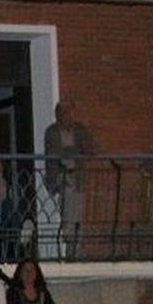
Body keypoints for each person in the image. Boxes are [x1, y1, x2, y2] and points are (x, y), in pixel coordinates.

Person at [42, 100, 94, 254]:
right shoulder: (52, 131)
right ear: (57, 115)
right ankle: (71, 249)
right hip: (60, 177)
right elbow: (55, 153)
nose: (66, 116)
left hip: (77, 178)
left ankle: (74, 250)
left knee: (76, 215)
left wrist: (73, 151)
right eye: (62, 112)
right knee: (68, 215)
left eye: (69, 112)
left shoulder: (80, 130)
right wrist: (73, 152)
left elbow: (91, 150)